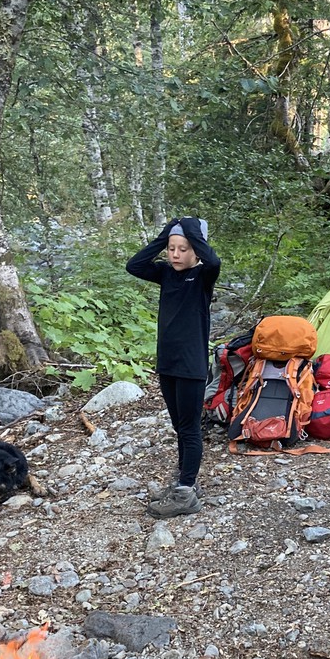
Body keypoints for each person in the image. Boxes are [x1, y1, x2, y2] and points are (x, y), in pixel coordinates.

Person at [126, 217, 221, 518]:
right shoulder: (166, 274)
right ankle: (184, 482)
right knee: (178, 426)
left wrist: (191, 231)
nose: (175, 254)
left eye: (183, 249)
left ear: (196, 251)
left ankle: (186, 492)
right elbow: (135, 265)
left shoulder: (204, 277)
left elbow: (214, 260)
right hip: (167, 363)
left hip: (191, 365)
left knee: (191, 428)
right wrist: (164, 234)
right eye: (171, 248)